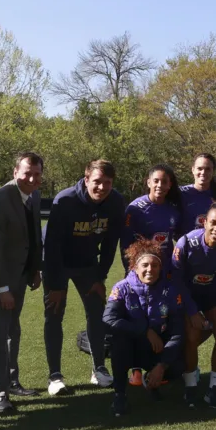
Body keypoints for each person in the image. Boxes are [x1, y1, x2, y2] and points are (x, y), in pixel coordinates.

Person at [41, 159, 126, 396]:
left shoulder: (116, 201)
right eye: (97, 182)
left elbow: (110, 244)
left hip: (88, 264)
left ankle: (99, 368)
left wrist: (101, 277)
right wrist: (56, 284)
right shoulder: (65, 200)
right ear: (86, 179)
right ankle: (55, 377)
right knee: (54, 314)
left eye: (107, 183)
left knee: (97, 312)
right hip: (57, 263)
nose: (101, 188)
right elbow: (52, 244)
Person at [0, 152, 44, 415]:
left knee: (13, 330)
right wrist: (2, 288)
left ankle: (13, 381)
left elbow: (33, 233)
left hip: (20, 275)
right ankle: (0, 393)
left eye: (37, 173)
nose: (31, 178)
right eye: (27, 172)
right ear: (15, 171)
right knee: (0, 331)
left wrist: (36, 269)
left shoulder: (34, 195)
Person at [103, 238, 190, 417]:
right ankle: (120, 394)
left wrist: (162, 364)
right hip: (130, 347)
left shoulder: (171, 292)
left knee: (179, 363)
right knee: (119, 341)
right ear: (135, 267)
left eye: (155, 265)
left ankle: (151, 379)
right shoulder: (122, 288)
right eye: (145, 265)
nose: (150, 269)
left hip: (155, 348)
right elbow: (108, 319)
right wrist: (144, 331)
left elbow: (177, 332)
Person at [173, 203, 216, 408]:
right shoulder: (186, 243)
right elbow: (177, 281)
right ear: (204, 222)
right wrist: (192, 312)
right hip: (189, 297)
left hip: (214, 296)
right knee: (191, 336)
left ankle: (214, 387)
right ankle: (191, 386)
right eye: (213, 223)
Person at [180, 153, 216, 233]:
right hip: (186, 244)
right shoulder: (181, 193)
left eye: (208, 169)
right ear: (193, 169)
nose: (203, 172)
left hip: (214, 244)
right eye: (199, 168)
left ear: (213, 171)